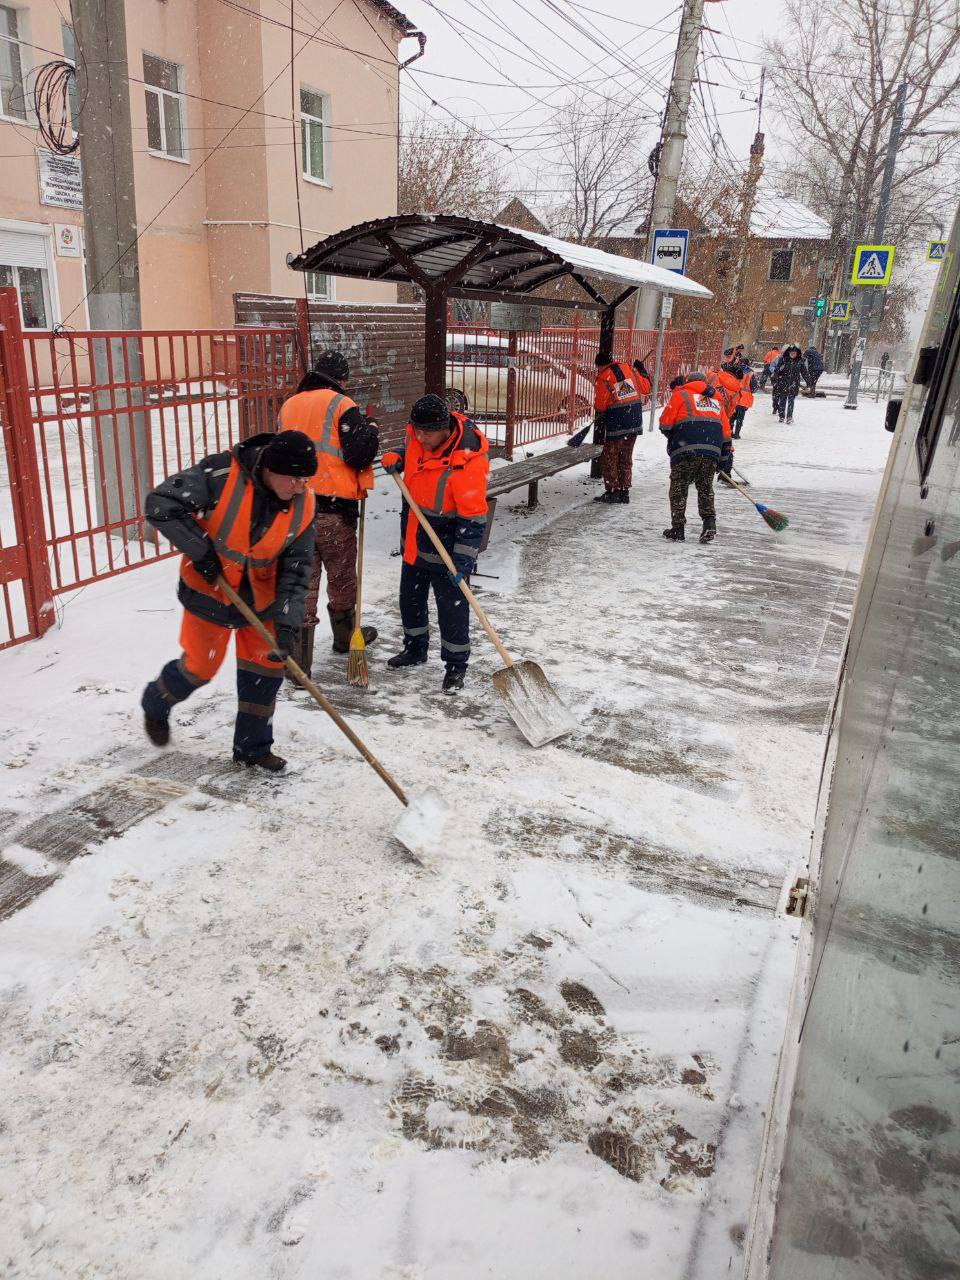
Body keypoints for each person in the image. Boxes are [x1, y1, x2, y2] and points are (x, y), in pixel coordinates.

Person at [140, 430, 318, 772]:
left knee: (264, 673)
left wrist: (286, 622)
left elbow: (297, 568)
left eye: (305, 480)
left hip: (262, 601)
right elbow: (161, 504)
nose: (300, 488)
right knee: (199, 668)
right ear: (271, 469)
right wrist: (200, 551)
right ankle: (156, 701)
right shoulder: (221, 475)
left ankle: (252, 749)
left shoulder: (305, 504)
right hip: (210, 593)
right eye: (295, 479)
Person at [278, 349, 379, 673]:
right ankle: (345, 638)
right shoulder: (342, 405)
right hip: (334, 510)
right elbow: (359, 455)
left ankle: (299, 662)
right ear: (341, 379)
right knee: (341, 577)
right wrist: (371, 428)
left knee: (302, 583)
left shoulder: (289, 405)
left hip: (295, 510)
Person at [381, 394, 490, 693]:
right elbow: (412, 451)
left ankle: (455, 666)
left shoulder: (467, 461)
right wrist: (399, 456)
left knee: (452, 611)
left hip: (448, 544)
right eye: (417, 430)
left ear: (444, 429)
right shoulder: (417, 436)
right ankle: (415, 648)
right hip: (415, 536)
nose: (420, 437)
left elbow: (473, 518)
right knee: (410, 600)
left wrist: (463, 561)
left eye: (427, 433)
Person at [659, 372, 732, 544]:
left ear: (688, 382)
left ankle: (678, 528)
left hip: (686, 450)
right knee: (705, 488)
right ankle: (709, 523)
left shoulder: (681, 395)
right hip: (711, 451)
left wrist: (676, 437)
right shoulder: (716, 400)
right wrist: (723, 459)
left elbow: (665, 424)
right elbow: (726, 434)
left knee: (679, 488)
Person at [591, 353, 652, 504]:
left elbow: (600, 405)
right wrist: (643, 372)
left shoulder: (604, 377)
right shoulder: (630, 370)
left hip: (618, 422)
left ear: (600, 366)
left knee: (610, 457)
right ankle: (624, 491)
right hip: (634, 420)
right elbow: (646, 388)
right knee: (625, 456)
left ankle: (613, 491)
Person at [770, 344, 809, 424]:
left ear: (797, 353)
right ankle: (781, 416)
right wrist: (776, 376)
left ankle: (789, 417)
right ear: (788, 352)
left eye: (794, 353)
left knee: (791, 401)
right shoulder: (783, 359)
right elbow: (777, 370)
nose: (793, 354)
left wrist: (808, 382)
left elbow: (804, 372)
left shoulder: (800, 361)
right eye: (791, 353)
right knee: (782, 400)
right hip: (783, 383)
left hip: (794, 384)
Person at [730, 353, 757, 439]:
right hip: (744, 399)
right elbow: (754, 388)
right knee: (740, 417)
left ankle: (729, 432)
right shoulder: (750, 373)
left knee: (732, 415)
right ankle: (737, 434)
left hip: (734, 397)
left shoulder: (734, 370)